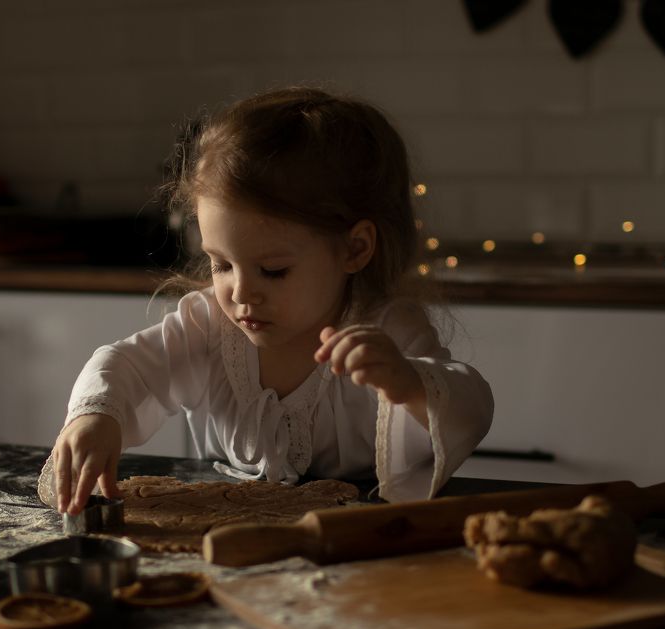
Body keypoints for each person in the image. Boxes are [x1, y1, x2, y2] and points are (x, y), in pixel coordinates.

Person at [44, 86, 494, 515]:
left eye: (273, 271)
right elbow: (125, 366)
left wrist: (410, 384)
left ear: (354, 249)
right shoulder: (207, 324)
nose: (240, 293)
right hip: (229, 538)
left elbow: (470, 406)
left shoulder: (386, 331)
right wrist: (95, 415)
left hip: (354, 547)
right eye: (221, 265)